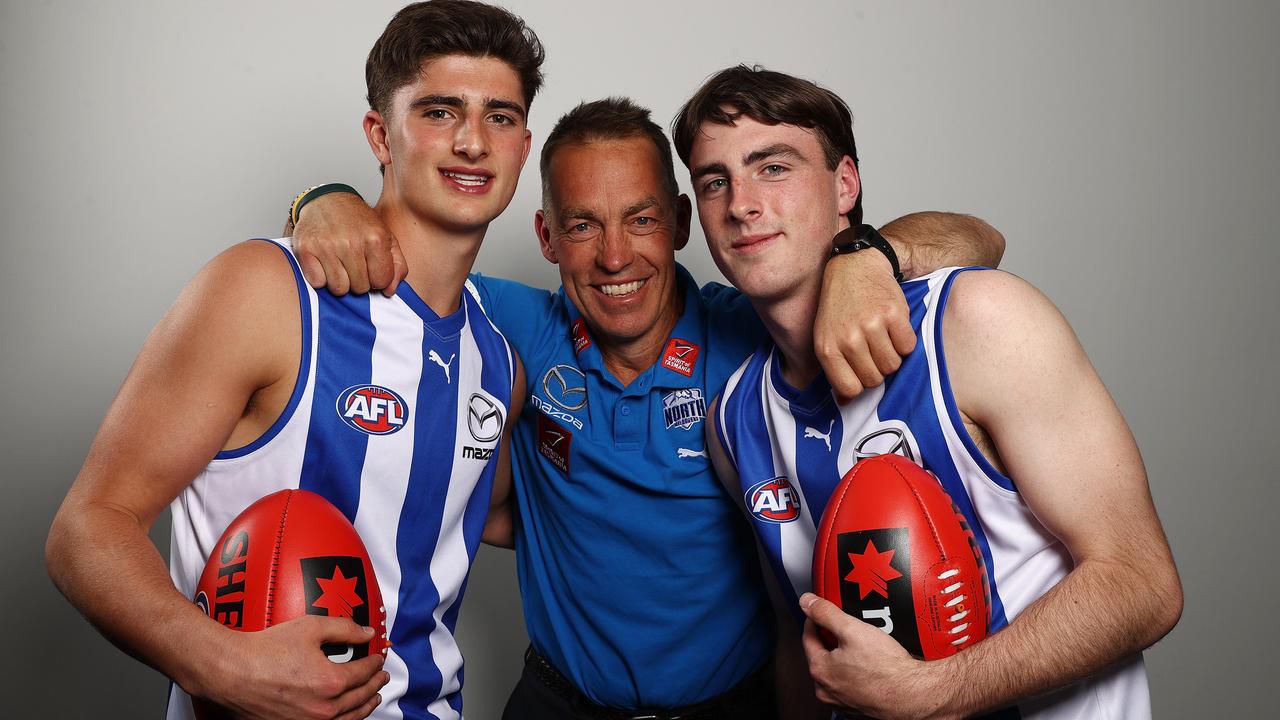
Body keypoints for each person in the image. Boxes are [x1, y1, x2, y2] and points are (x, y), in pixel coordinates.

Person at [293, 98, 1004, 716]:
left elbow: (979, 242)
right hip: (556, 705)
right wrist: (322, 199)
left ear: (681, 223)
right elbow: (366, 251)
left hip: (736, 708)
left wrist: (864, 253)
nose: (614, 256)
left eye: (640, 219)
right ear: (546, 236)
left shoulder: (759, 332)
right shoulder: (512, 327)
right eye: (581, 226)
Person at [45, 2, 540, 718]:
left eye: (499, 116)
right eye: (439, 111)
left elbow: (505, 517)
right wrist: (226, 666)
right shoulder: (267, 292)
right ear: (380, 135)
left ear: (523, 145)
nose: (471, 141)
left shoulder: (498, 363)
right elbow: (86, 529)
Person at [678, 65, 1183, 718]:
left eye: (773, 167)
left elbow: (1142, 584)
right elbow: (798, 639)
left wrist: (934, 693)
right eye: (714, 180)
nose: (741, 204)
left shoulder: (976, 321)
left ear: (845, 184)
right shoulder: (733, 420)